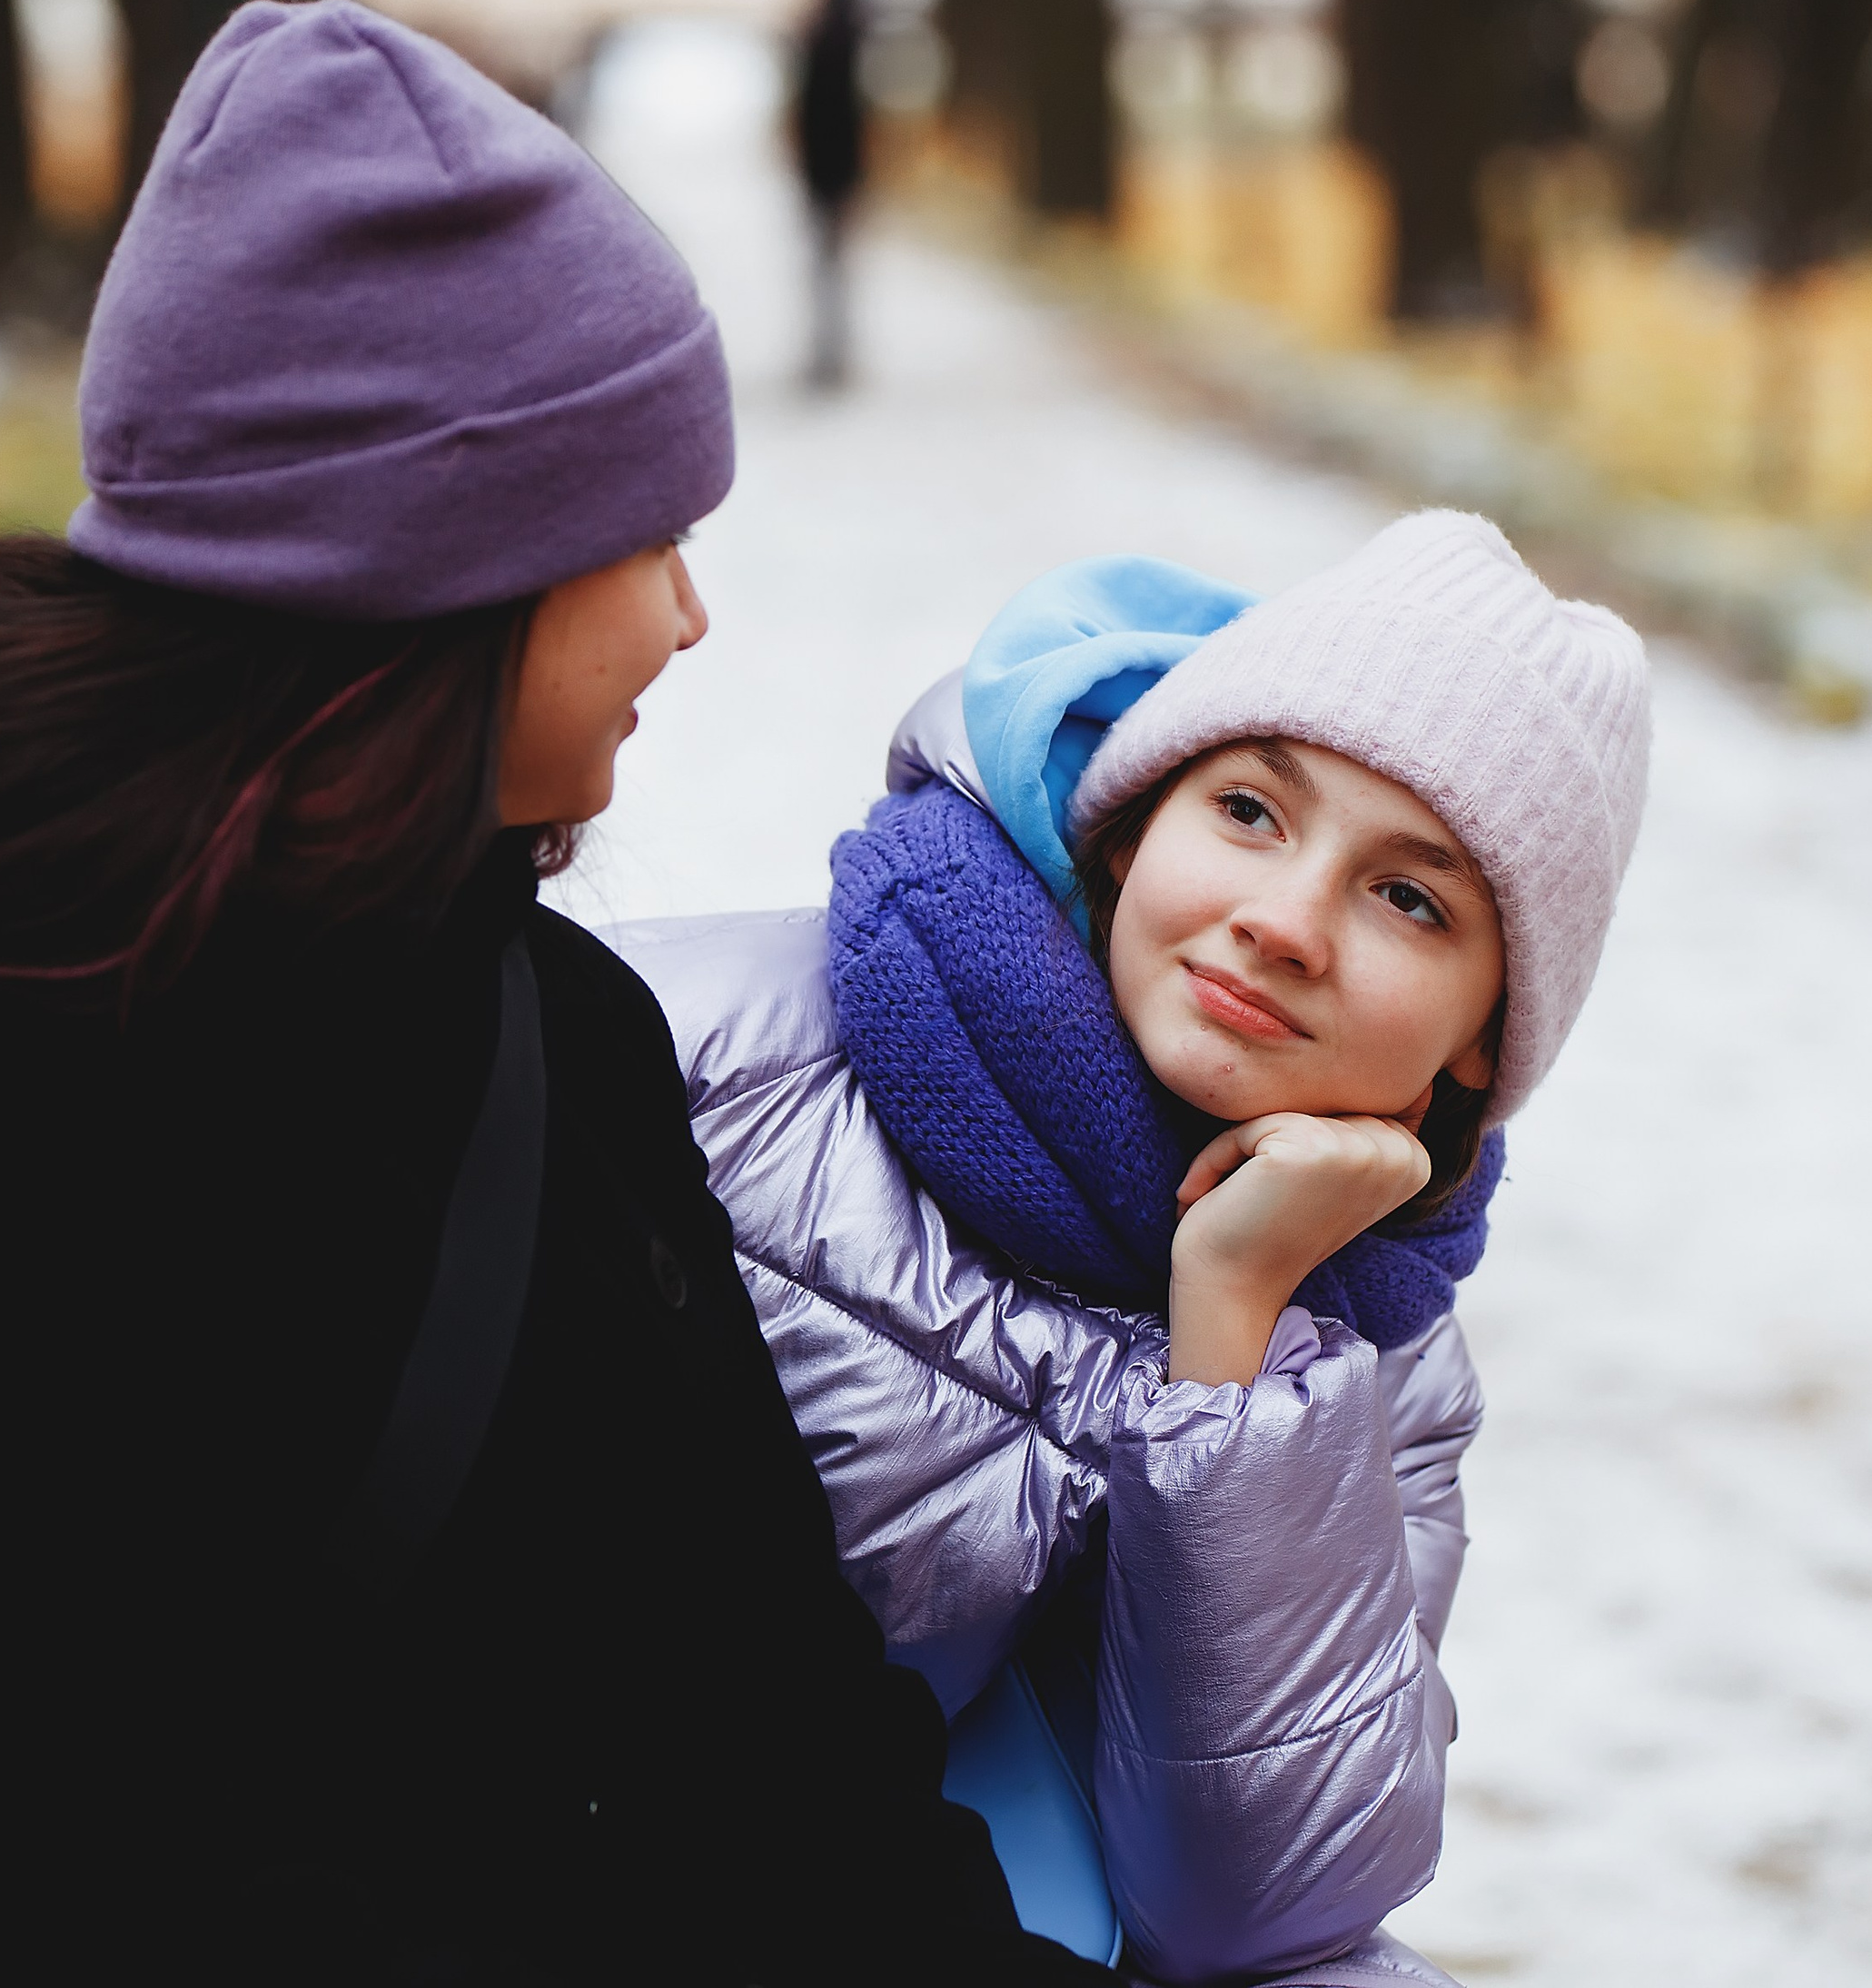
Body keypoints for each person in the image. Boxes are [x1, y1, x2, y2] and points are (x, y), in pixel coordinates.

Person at [0, 0, 1113, 1988]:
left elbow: (773, 1756)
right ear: (439, 568)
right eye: (643, 534)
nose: (687, 610)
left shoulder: (555, 1047)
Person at [613, 516, 1652, 1983]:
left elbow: (1255, 1909)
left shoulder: (1381, 1344)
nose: (1286, 924)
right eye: (1249, 811)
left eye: (1409, 898)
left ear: (1483, 1038)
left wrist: (1235, 1325)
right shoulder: (712, 1062)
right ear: (1129, 815)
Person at [791, 0, 867, 386]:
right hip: (834, 156)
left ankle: (832, 354)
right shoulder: (848, 12)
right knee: (830, 260)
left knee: (829, 260)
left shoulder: (833, 16)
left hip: (831, 158)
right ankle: (831, 352)